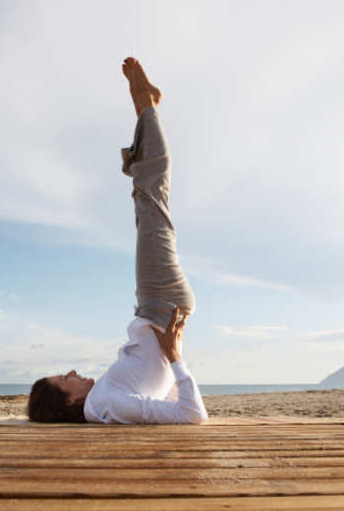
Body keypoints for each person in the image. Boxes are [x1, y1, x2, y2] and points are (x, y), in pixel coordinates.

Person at [26, 57, 208, 424]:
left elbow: (159, 395)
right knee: (153, 197)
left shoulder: (103, 400)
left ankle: (143, 128)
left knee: (149, 205)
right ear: (67, 403)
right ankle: (145, 106)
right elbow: (192, 416)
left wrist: (168, 366)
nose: (73, 372)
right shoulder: (106, 403)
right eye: (65, 379)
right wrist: (174, 357)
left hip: (154, 307)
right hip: (160, 305)